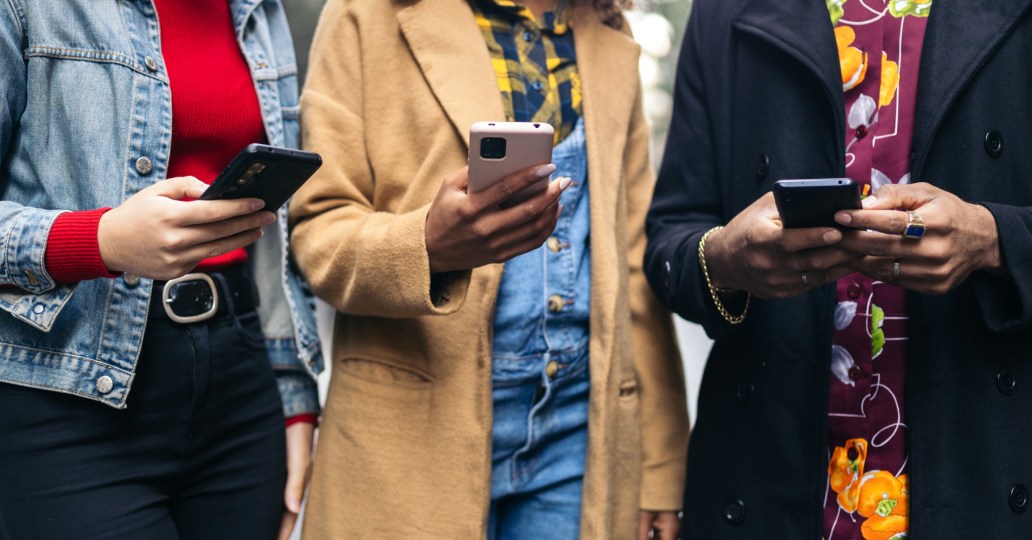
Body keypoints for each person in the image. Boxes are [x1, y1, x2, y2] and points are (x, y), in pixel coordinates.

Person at [289, 0, 689, 538]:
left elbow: (635, 266)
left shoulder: (606, 29)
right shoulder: (366, 14)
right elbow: (319, 233)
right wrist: (427, 247)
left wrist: (660, 465)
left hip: (580, 438)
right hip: (410, 437)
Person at [645, 0, 1032, 537]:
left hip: (983, 471)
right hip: (765, 479)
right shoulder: (723, 11)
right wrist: (725, 259)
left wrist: (993, 240)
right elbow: (670, 237)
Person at [0, 1, 322, 538]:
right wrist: (101, 240)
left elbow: (274, 226)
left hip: (240, 380)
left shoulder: (259, 8)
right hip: (61, 388)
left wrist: (293, 395)